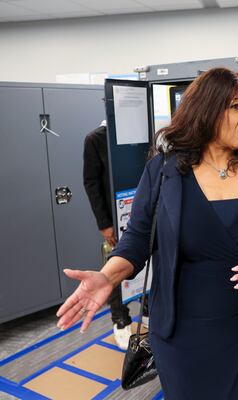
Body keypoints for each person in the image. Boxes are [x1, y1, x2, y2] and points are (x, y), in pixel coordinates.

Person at [59, 67, 238, 399]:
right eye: (235, 106)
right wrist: (108, 277)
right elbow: (137, 240)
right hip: (183, 336)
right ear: (206, 109)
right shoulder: (162, 172)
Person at [83, 121, 140, 350]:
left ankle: (146, 311)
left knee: (148, 265)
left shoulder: (138, 133)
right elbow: (92, 183)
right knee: (113, 268)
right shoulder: (95, 139)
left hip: (139, 212)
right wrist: (104, 223)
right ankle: (120, 320)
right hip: (114, 220)